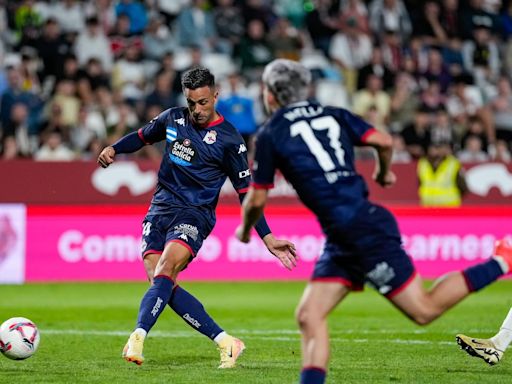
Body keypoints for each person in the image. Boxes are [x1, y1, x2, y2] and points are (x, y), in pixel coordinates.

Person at [235, 59, 512, 384]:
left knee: (424, 310)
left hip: (360, 231)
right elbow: (383, 140)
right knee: (310, 316)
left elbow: (256, 198)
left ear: (270, 95)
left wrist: (243, 230)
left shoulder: (271, 133)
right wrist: (383, 171)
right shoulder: (333, 113)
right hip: (346, 235)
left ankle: (501, 260)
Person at [97, 66, 297, 368]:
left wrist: (267, 237)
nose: (197, 109)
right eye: (192, 102)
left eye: (203, 102)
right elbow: (141, 137)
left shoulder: (230, 140)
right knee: (161, 281)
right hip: (160, 208)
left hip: (195, 214)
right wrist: (115, 148)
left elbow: (246, 193)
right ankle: (226, 342)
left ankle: (137, 336)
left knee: (165, 268)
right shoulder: (173, 118)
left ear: (215, 96)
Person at [417, 141, 467, 207]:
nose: (436, 150)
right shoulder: (423, 163)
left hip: (449, 207)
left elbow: (462, 186)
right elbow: (420, 183)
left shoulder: (453, 164)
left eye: (439, 147)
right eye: (434, 147)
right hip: (428, 206)